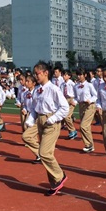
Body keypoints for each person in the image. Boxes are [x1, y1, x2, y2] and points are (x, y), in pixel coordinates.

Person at [25, 61, 69, 196]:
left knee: (43, 153)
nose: (36, 76)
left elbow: (65, 107)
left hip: (51, 122)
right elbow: (33, 108)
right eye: (35, 73)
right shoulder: (37, 91)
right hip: (40, 121)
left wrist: (53, 118)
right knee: (46, 154)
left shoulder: (53, 89)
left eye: (37, 73)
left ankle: (60, 176)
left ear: (45, 73)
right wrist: (30, 120)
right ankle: (54, 182)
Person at [75, 68, 98, 153]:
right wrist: (74, 101)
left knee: (83, 126)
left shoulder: (89, 85)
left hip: (89, 106)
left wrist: (90, 100)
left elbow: (95, 95)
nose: (78, 76)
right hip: (81, 106)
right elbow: (76, 97)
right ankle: (89, 145)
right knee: (86, 127)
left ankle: (89, 144)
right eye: (77, 75)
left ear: (85, 75)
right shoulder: (76, 86)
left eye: (80, 74)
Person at [61, 70, 78, 139]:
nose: (63, 76)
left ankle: (73, 131)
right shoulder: (62, 84)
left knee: (67, 116)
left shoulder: (72, 84)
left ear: (69, 76)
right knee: (64, 116)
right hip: (65, 100)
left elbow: (77, 93)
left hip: (71, 99)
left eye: (65, 75)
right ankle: (71, 131)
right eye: (63, 75)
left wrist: (74, 101)